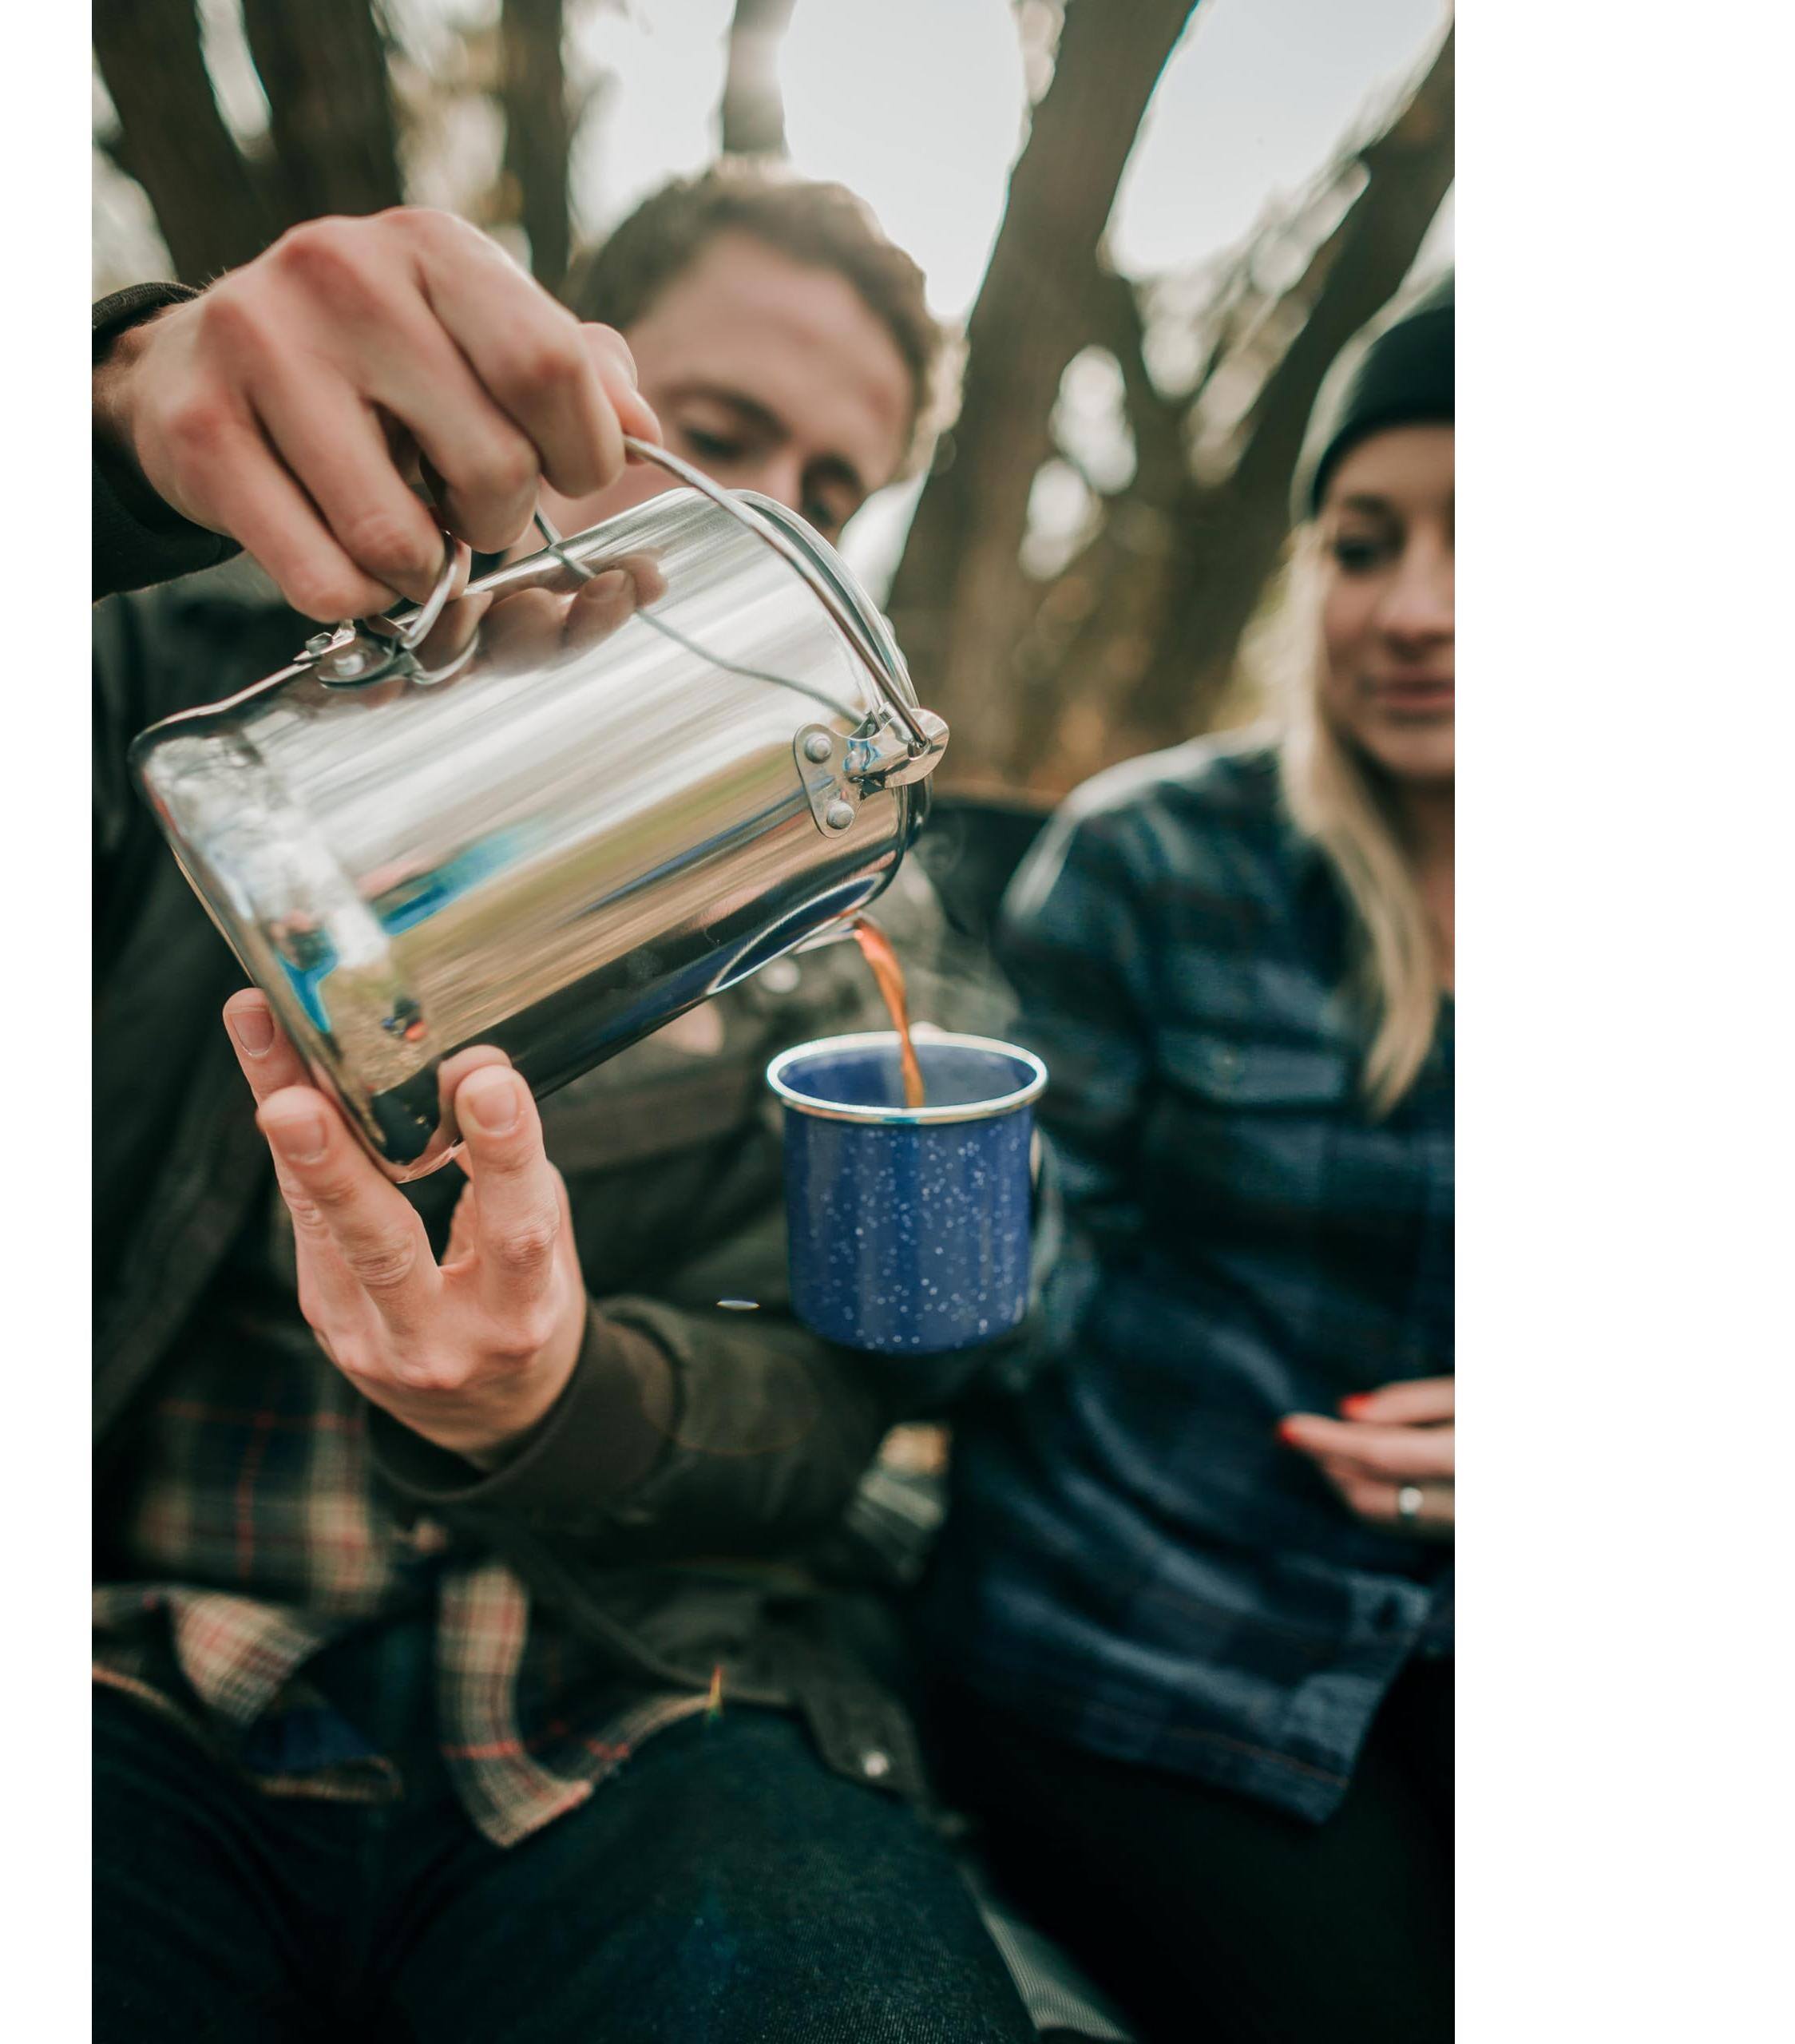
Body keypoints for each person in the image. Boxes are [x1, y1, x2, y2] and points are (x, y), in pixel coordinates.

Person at [93, 166, 1037, 2042]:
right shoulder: (177, 661)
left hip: (633, 1705)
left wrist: (564, 1398)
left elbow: (855, 1384)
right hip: (136, 1674)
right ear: (544, 380)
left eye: (831, 485)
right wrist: (120, 417)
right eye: (720, 431)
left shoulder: (848, 877)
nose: (772, 509)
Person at [925, 276, 1456, 2044]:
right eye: (1363, 545)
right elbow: (1025, 1292)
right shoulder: (1155, 858)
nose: (1415, 608)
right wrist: (940, 1214)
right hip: (1155, 1633)